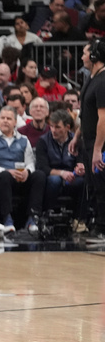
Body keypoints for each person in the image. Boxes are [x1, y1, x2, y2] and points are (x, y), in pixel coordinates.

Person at [0, 105, 39, 235]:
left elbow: (30, 162)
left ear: (15, 122)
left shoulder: (23, 139)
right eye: (2, 118)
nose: (5, 121)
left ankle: (32, 218)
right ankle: (7, 219)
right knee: (5, 176)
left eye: (8, 118)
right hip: (0, 177)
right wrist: (7, 171)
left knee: (39, 176)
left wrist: (27, 172)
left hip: (20, 177)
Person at [31, 109, 84, 230]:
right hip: (52, 174)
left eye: (57, 127)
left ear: (67, 127)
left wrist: (80, 168)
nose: (53, 130)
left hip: (72, 175)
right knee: (54, 181)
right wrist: (62, 173)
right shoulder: (43, 141)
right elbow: (42, 167)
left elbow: (80, 161)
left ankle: (79, 218)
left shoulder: (77, 141)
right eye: (51, 126)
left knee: (83, 182)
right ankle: (48, 214)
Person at [77, 40, 105, 243]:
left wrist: (98, 149)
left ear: (94, 57)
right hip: (87, 141)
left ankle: (103, 229)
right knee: (93, 185)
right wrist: (78, 135)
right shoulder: (91, 79)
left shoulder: (103, 81)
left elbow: (104, 118)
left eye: (85, 54)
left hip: (99, 144)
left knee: (102, 184)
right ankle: (98, 225)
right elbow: (87, 113)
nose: (82, 57)